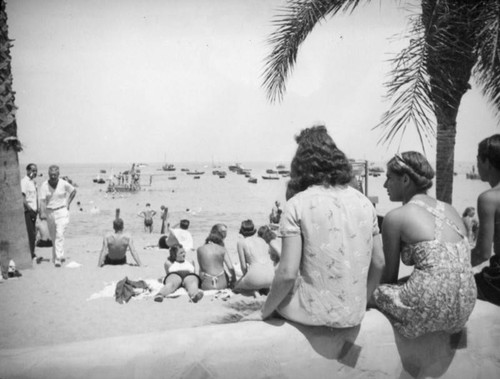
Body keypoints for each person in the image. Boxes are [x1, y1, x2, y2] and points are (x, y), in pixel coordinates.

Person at [248, 125, 384, 327]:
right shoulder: (364, 203)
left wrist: (263, 312)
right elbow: (379, 262)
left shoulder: (297, 204)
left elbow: (287, 274)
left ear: (300, 164)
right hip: (355, 314)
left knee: (278, 294)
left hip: (314, 315)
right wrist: (360, 303)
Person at [373, 151, 476, 339]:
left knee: (376, 293)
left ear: (405, 179)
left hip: (428, 310)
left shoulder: (395, 217)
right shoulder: (449, 209)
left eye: (389, 178)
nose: (385, 184)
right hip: (465, 306)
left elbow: (388, 278)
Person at [471, 134, 500, 305]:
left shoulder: (489, 198)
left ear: (487, 162)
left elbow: (482, 253)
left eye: (478, 160)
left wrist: (450, 267)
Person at [39, 165, 77, 267]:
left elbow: (73, 191)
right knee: (53, 236)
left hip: (62, 211)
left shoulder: (63, 183)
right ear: (48, 174)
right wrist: (42, 212)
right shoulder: (44, 185)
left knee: (60, 233)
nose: (53, 177)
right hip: (50, 212)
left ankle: (58, 258)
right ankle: (56, 255)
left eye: (55, 175)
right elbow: (42, 201)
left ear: (58, 174)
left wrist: (68, 203)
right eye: (51, 175)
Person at [233, 219, 275, 295]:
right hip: (271, 277)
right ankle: (264, 289)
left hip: (255, 278)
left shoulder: (241, 242)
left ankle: (253, 291)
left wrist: (245, 278)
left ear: (241, 231)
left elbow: (243, 267)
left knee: (236, 286)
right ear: (254, 230)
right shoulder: (262, 240)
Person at [197, 224, 236, 290]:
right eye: (223, 232)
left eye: (225, 232)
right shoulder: (222, 249)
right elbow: (230, 267)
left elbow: (201, 269)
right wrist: (234, 280)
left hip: (207, 285)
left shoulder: (200, 249)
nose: (225, 234)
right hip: (222, 284)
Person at [20, 163, 42, 263]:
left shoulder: (33, 182)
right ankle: (30, 256)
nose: (35, 172)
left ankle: (32, 254)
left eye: (36, 170)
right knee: (30, 234)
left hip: (34, 212)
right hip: (28, 212)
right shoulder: (24, 182)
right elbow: (23, 198)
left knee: (34, 234)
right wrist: (30, 210)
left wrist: (38, 210)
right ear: (28, 171)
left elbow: (35, 197)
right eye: (33, 170)